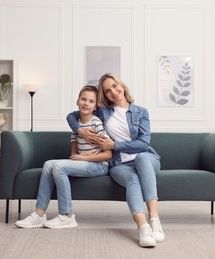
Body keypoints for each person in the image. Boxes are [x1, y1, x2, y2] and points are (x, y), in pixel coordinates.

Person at [67, 73, 164, 247]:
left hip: (147, 159)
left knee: (141, 157)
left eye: (114, 86)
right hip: (120, 165)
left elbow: (143, 143)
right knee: (132, 179)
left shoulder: (141, 112)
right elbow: (71, 116)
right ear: (105, 95)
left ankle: (155, 220)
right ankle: (143, 228)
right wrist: (79, 131)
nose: (113, 91)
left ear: (121, 85)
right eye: (107, 90)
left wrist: (115, 145)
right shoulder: (103, 112)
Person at [15, 85, 112, 229]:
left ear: (95, 106)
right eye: (83, 99)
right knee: (48, 164)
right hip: (85, 161)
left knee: (59, 167)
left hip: (99, 166)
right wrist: (82, 155)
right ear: (77, 101)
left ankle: (67, 215)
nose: (86, 103)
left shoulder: (96, 123)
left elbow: (108, 155)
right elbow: (74, 155)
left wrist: (84, 158)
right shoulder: (76, 126)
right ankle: (39, 214)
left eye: (91, 101)